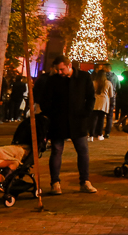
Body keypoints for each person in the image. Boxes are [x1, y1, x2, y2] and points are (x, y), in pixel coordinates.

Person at [37, 56, 97, 195]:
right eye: (57, 69)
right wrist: (50, 113)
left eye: (61, 69)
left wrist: (86, 112)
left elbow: (90, 96)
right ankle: (55, 182)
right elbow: (45, 99)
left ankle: (85, 181)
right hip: (58, 121)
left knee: (83, 151)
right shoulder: (52, 80)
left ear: (69, 65)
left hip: (78, 120)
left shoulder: (83, 77)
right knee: (56, 151)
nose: (59, 72)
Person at [91, 68, 114, 141]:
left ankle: (91, 135)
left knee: (93, 119)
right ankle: (99, 134)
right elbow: (111, 95)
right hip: (104, 102)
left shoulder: (94, 83)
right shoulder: (108, 83)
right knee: (101, 119)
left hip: (95, 101)